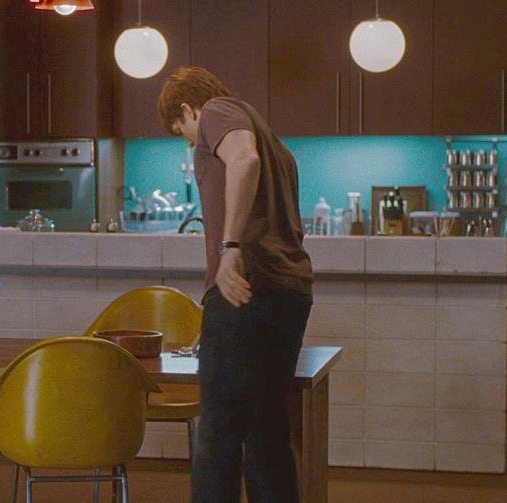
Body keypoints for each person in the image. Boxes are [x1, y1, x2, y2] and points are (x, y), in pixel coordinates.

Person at [157, 67, 314, 503]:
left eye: (184, 134)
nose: (192, 144)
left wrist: (229, 247)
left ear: (188, 110)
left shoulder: (217, 111)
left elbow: (244, 160)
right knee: (266, 432)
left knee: (218, 432)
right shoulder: (272, 139)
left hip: (246, 288)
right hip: (288, 290)